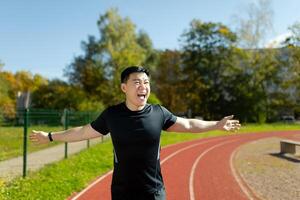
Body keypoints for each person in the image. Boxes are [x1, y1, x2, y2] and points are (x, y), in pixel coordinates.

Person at [30, 66, 241, 200]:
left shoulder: (159, 113)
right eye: (137, 82)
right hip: (123, 193)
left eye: (146, 82)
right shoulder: (112, 115)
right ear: (124, 87)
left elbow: (188, 125)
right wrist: (49, 136)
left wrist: (216, 124)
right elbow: (82, 132)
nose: (143, 87)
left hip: (154, 192)